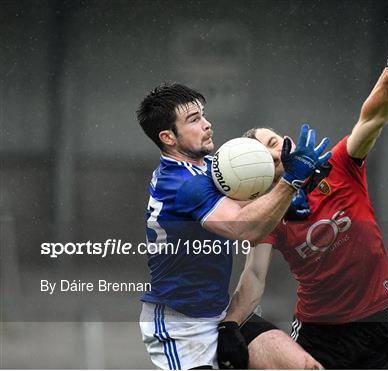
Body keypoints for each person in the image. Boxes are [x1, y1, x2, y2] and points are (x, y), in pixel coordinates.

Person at [218, 24, 388, 369]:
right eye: (264, 159)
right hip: (320, 334)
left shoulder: (340, 163)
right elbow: (254, 276)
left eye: (272, 143)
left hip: (378, 325)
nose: (275, 153)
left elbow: (372, 119)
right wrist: (229, 325)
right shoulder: (271, 212)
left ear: (287, 138)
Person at [135, 83, 330, 369]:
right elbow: (244, 227)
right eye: (193, 120)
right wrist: (291, 183)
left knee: (306, 367)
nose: (207, 124)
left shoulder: (210, 166)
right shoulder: (182, 183)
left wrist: (294, 181)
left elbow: (252, 197)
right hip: (181, 329)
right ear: (168, 137)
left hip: (220, 311)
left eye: (203, 115)